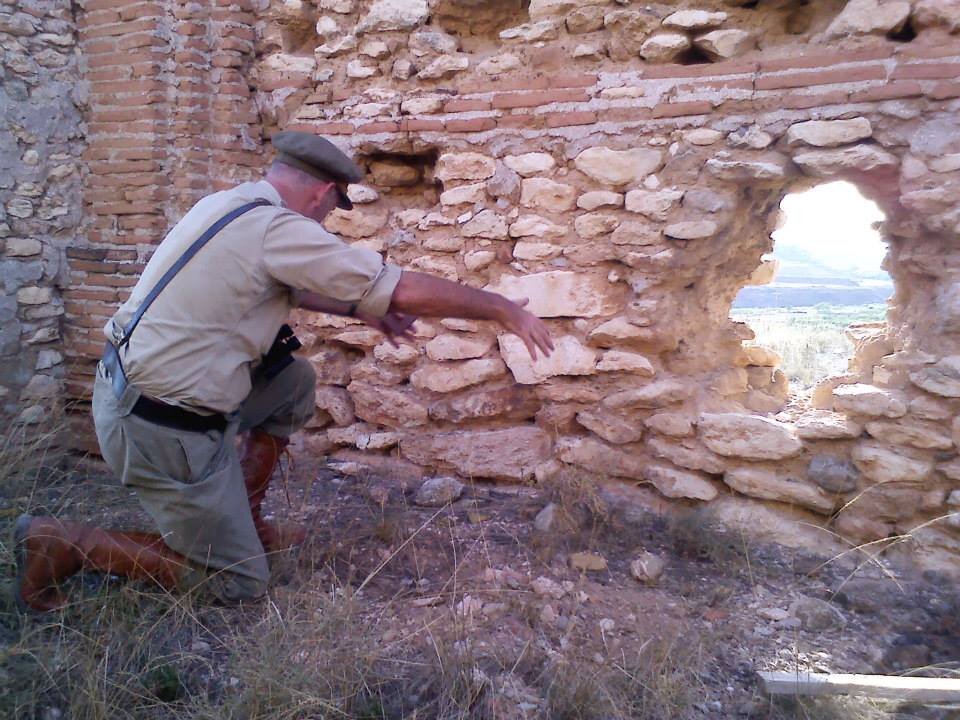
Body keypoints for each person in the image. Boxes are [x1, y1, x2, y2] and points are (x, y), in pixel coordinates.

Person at [13, 132, 554, 612]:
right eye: (331, 209)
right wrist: (504, 308)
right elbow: (401, 285)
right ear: (322, 194)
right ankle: (64, 542)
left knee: (292, 384)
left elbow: (284, 283)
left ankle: (244, 522)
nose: (326, 220)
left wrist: (362, 309)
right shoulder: (277, 228)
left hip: (136, 393)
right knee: (237, 581)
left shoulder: (228, 205)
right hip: (159, 426)